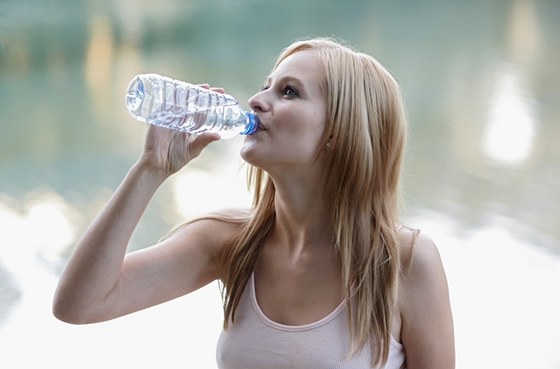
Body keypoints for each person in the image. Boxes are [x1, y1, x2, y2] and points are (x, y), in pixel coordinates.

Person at [53, 37, 455, 369]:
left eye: (289, 92)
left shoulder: (403, 263)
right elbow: (80, 304)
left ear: (339, 132)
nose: (258, 100)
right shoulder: (229, 242)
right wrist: (150, 170)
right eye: (267, 85)